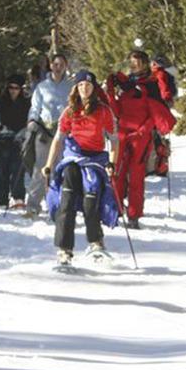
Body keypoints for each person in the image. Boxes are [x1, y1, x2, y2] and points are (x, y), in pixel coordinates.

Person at [42, 70, 119, 265]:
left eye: (89, 85)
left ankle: (96, 243)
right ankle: (64, 249)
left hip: (94, 160)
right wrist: (49, 164)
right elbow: (58, 139)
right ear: (76, 88)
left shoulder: (103, 111)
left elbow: (114, 139)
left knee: (90, 201)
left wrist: (112, 162)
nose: (85, 88)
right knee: (66, 200)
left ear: (94, 88)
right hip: (73, 159)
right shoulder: (69, 111)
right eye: (81, 85)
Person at [106, 50, 177, 228]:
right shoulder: (125, 83)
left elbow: (157, 112)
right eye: (132, 62)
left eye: (138, 62)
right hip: (123, 133)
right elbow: (116, 110)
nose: (134, 66)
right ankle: (116, 209)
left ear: (145, 64)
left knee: (136, 175)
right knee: (118, 171)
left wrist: (143, 130)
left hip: (141, 135)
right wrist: (110, 92)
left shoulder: (152, 84)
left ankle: (134, 215)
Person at [24, 53, 74, 216]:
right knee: (41, 168)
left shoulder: (71, 86)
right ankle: (33, 206)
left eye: (61, 65)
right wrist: (32, 120)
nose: (58, 68)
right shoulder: (42, 87)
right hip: (44, 131)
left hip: (64, 131)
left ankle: (57, 204)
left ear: (66, 66)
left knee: (60, 169)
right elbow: (35, 107)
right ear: (51, 66)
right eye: (55, 64)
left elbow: (76, 107)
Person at [0, 74, 31, 209]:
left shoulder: (26, 102)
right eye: (11, 87)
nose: (13, 90)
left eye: (16, 88)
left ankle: (18, 198)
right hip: (3, 139)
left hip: (19, 139)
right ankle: (1, 201)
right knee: (3, 171)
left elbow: (30, 119)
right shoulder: (1, 101)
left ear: (21, 89)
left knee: (18, 169)